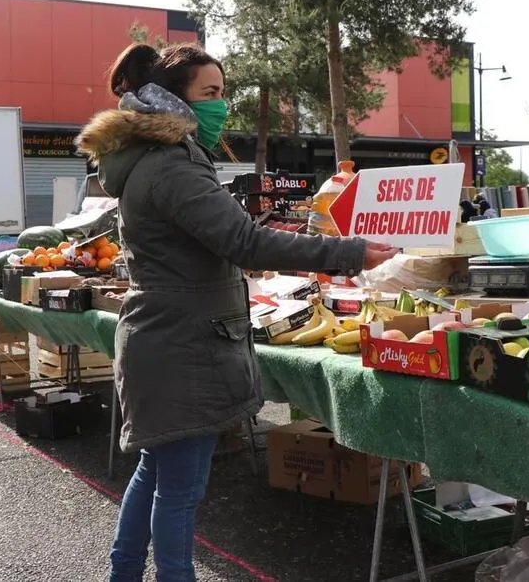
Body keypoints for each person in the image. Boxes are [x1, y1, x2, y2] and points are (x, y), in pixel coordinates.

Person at [76, 42, 398, 581]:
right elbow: (244, 243)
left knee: (155, 473)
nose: (221, 106)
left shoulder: (152, 159)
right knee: (180, 490)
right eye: (210, 93)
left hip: (164, 336)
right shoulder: (172, 165)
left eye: (223, 92)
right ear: (173, 99)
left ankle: (122, 573)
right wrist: (347, 252)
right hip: (183, 347)